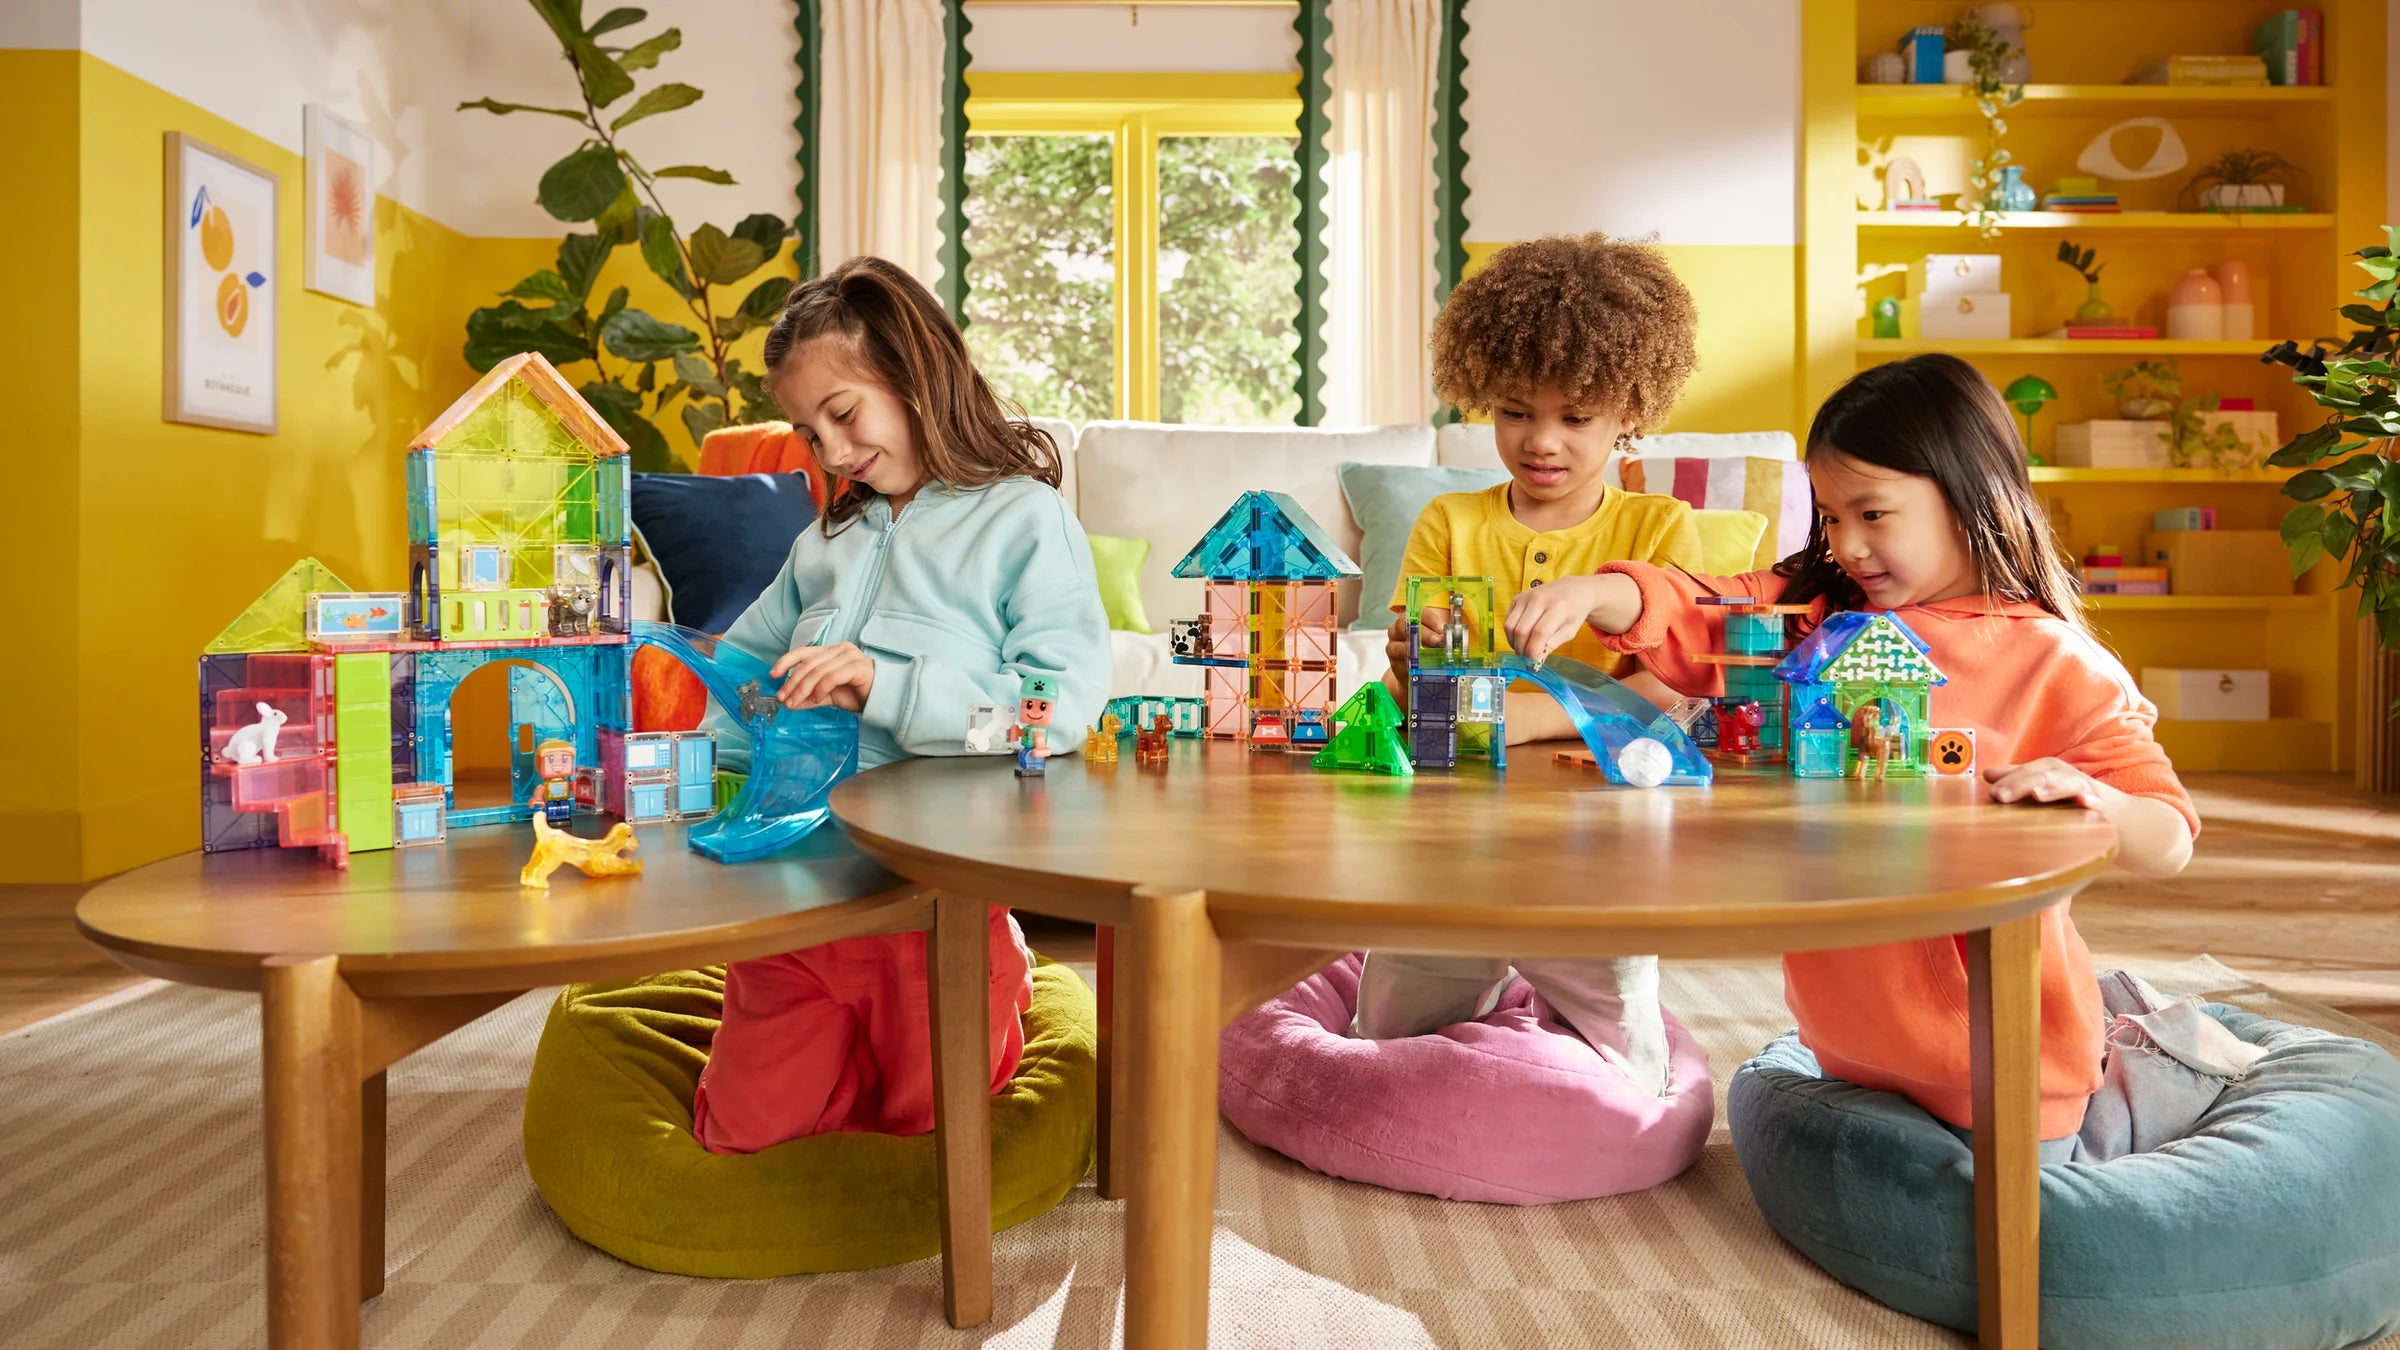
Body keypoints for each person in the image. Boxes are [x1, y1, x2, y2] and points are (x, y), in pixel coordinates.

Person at [1509, 353, 2199, 1154]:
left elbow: (2169, 837)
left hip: (2007, 1069)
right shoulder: (1816, 612)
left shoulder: (2054, 662)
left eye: (1873, 514)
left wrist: (2095, 796)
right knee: (1777, 1110)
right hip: (1850, 1052)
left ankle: (2160, 1076)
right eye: (1831, 517)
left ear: (1970, 493)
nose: (1848, 545)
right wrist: (1593, 592)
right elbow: (1703, 605)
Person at [688, 256, 1109, 1154]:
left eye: (844, 414)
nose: (833, 452)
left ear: (918, 378)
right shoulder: (825, 539)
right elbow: (743, 665)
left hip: (936, 902)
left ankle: (1007, 972)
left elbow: (1056, 711)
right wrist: (702, 768)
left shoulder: (1022, 521)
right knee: (738, 1136)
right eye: (810, 432)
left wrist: (889, 686)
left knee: (933, 1129)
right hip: (798, 900)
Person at [1351, 234, 1708, 1098]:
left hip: (1598, 829)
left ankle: (1550, 1024)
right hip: (1458, 816)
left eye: (1576, 417)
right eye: (1515, 411)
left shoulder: (1657, 527)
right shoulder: (1448, 520)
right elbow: (1415, 682)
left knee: (1624, 1046)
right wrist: (1411, 659)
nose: (1541, 441)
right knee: (1388, 1030)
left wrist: (1534, 715)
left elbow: (1675, 686)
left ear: (1631, 412)